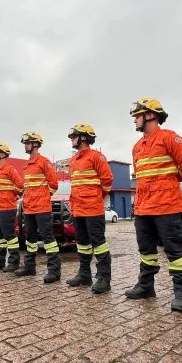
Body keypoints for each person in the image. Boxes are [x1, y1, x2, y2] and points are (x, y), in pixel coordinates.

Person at [124, 98, 182, 312]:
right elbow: (141, 177)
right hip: (144, 207)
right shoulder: (137, 147)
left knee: (175, 252)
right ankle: (146, 286)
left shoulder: (169, 138)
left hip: (166, 206)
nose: (134, 120)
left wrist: (172, 180)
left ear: (150, 115)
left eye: (137, 115)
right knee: (146, 250)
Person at [64, 124, 114, 294]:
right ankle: (84, 275)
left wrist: (95, 199)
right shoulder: (73, 161)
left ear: (84, 137)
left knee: (99, 244)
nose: (71, 139)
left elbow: (107, 181)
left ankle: (104, 278)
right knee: (82, 244)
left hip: (93, 209)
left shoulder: (97, 157)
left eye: (74, 136)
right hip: (78, 210)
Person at [19, 131, 61, 282]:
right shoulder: (26, 165)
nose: (25, 145)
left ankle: (54, 272)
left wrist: (43, 196)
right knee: (29, 239)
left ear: (35, 144)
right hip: (29, 208)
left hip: (42, 208)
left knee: (48, 239)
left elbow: (54, 185)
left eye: (27, 143)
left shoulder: (44, 162)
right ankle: (30, 267)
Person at [0, 143, 24, 273]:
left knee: (9, 236)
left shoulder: (9, 169)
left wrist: (9, 195)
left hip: (7, 208)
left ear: (2, 154)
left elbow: (20, 186)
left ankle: (13, 262)